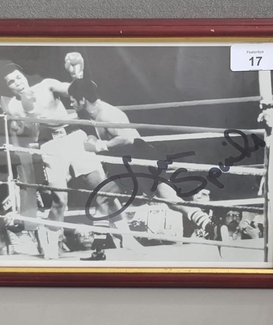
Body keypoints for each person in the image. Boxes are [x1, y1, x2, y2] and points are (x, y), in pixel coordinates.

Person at [0, 62, 137, 260]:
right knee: (59, 200)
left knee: (102, 188)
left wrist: (77, 75)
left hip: (74, 137)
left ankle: (127, 237)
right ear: (8, 87)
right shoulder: (13, 105)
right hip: (50, 146)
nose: (17, 83)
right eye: (11, 82)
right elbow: (22, 129)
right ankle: (53, 246)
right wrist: (19, 123)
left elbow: (73, 89)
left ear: (24, 75)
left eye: (18, 77)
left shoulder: (47, 85)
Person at [68, 78, 217, 239]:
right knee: (169, 198)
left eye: (73, 100)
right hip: (138, 156)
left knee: (103, 197)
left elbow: (126, 139)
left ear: (83, 99)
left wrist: (100, 146)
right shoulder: (93, 113)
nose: (71, 104)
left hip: (135, 156)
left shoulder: (105, 114)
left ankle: (99, 247)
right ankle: (209, 225)